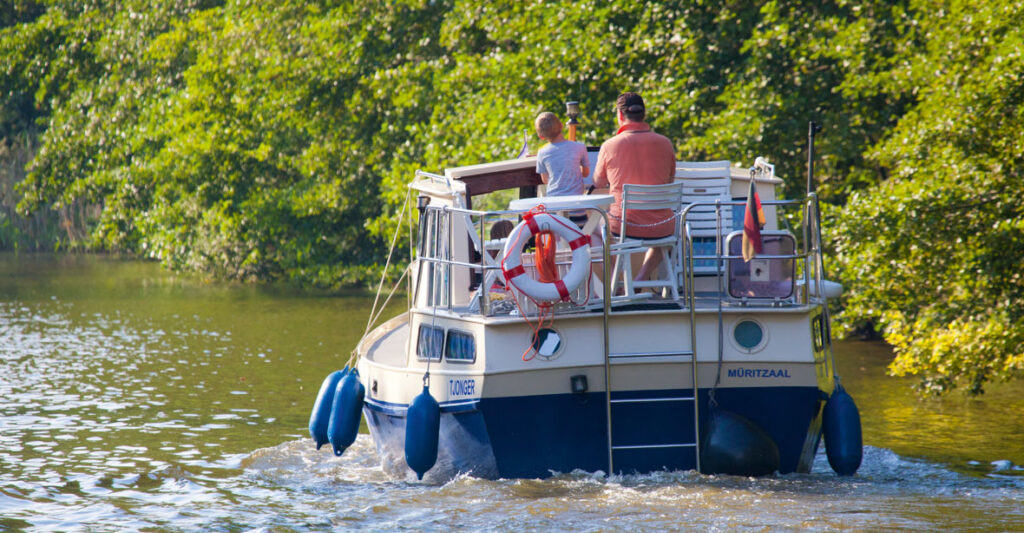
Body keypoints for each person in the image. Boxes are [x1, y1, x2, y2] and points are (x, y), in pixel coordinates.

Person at [592, 92, 677, 284]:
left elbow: (598, 182)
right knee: (665, 237)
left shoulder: (609, 145)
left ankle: (618, 282)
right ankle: (641, 278)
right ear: (644, 114)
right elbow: (669, 181)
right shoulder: (665, 143)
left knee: (593, 231)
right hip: (662, 225)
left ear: (620, 116)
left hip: (624, 225)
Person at [534, 111, 590, 227]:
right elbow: (586, 173)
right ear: (561, 125)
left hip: (554, 209)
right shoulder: (579, 147)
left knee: (557, 241)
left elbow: (545, 180)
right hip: (577, 208)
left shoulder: (542, 152)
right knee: (582, 236)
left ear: (541, 136)